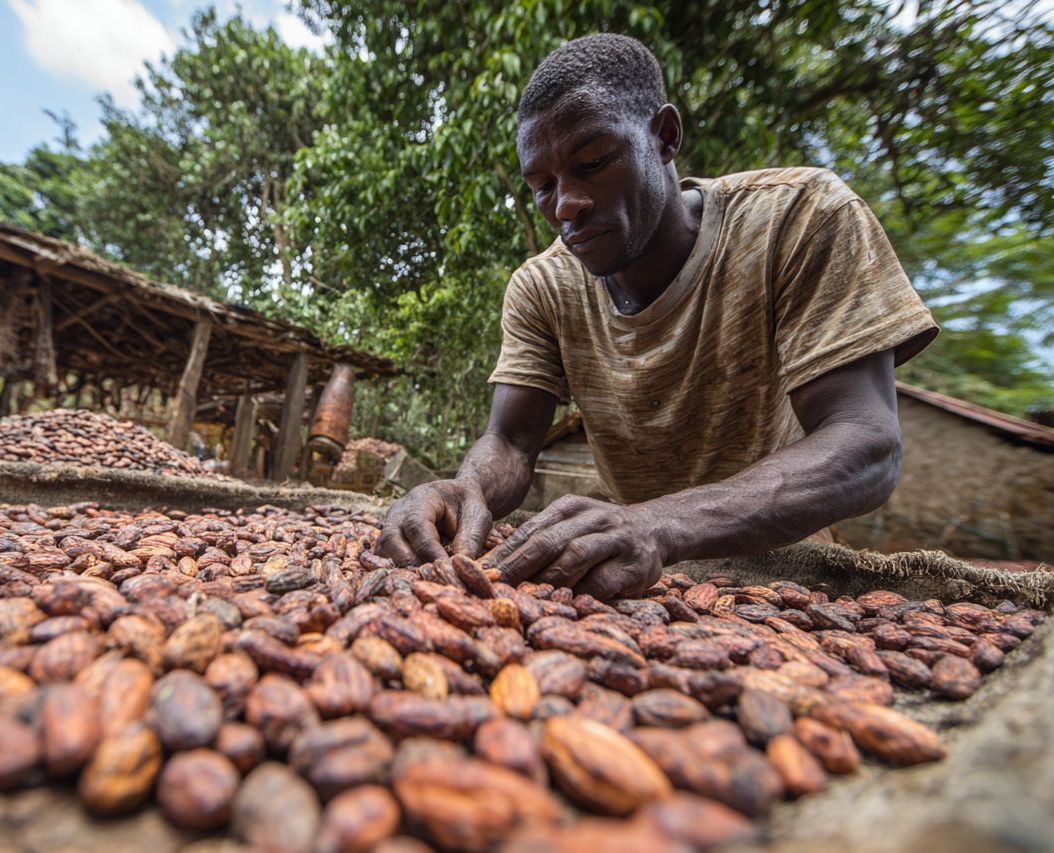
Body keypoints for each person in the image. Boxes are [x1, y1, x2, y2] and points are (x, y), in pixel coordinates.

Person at [376, 34, 939, 600]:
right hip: (629, 582)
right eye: (543, 187)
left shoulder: (800, 217)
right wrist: (464, 489)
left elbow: (867, 442)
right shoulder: (542, 287)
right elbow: (512, 441)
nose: (566, 204)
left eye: (592, 162)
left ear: (665, 136)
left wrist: (659, 524)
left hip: (789, 584)